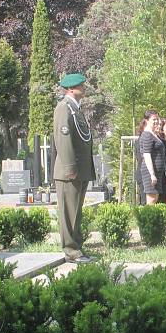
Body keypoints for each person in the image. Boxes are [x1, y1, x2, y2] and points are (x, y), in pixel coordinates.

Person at [53, 73, 95, 264]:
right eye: (81, 86)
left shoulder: (75, 109)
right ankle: (71, 250)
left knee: (75, 212)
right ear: (71, 89)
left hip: (79, 169)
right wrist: (70, 166)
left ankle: (77, 248)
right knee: (69, 213)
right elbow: (63, 139)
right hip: (69, 171)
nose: (84, 88)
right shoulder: (64, 108)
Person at [136, 110, 166, 204]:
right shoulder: (147, 135)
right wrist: (152, 174)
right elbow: (147, 155)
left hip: (157, 172)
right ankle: (147, 219)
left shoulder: (154, 134)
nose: (156, 121)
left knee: (155, 198)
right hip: (150, 172)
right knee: (151, 200)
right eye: (154, 119)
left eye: (157, 119)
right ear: (146, 120)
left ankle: (152, 218)